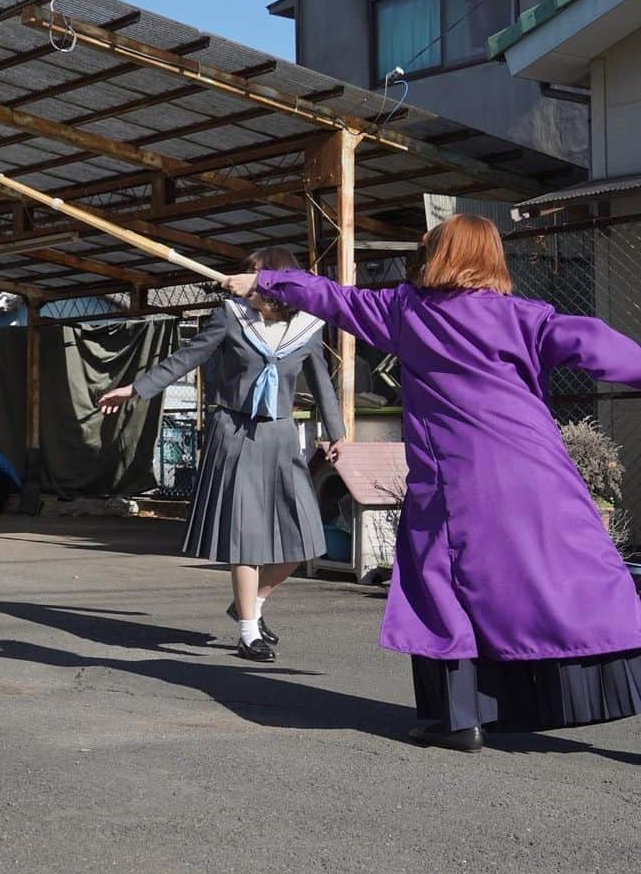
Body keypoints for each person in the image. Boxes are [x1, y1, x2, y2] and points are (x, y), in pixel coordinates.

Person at [222, 215, 641, 752]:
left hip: (455, 480)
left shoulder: (405, 312)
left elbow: (330, 297)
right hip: (541, 472)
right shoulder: (523, 317)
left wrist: (263, 281)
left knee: (439, 584)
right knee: (579, 577)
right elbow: (595, 342)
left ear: (440, 256)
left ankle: (460, 718)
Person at [99, 247, 344, 663]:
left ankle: (251, 604)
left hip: (282, 435)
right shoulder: (231, 316)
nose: (245, 281)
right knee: (246, 538)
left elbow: (321, 380)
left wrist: (337, 433)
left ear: (278, 282)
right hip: (234, 431)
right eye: (247, 274)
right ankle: (249, 633)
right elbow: (186, 358)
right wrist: (136, 389)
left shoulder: (308, 326)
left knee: (304, 541)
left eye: (256, 274)